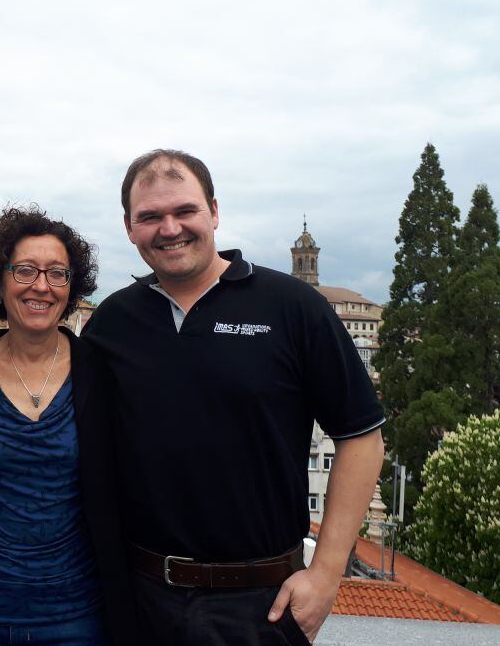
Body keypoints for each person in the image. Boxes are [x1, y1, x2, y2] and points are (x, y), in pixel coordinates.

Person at [83, 149, 385, 646]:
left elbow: (362, 437)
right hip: (137, 599)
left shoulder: (294, 308)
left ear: (214, 212)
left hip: (259, 605)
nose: (170, 229)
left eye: (185, 211)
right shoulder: (112, 322)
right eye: (151, 217)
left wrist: (327, 573)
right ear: (129, 228)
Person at [0, 206, 137, 646]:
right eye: (25, 270)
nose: (41, 285)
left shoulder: (102, 375)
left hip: (79, 617)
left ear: (71, 287)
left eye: (57, 273)